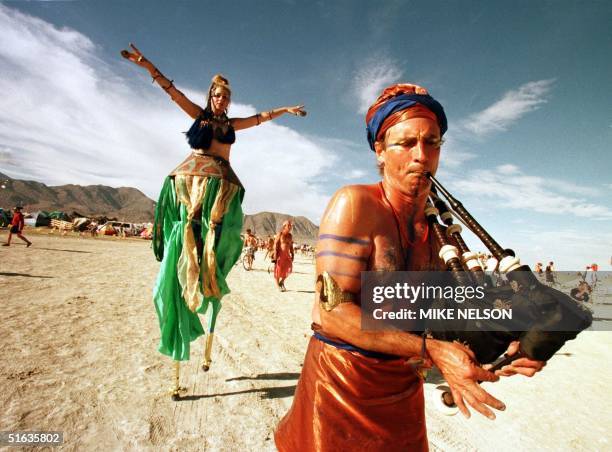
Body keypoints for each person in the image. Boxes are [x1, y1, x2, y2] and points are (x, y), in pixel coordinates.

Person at [275, 83, 545, 451]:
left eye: (432, 143)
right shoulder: (355, 205)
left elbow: (444, 319)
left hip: (403, 388)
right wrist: (433, 351)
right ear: (380, 150)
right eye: (407, 143)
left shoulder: (439, 233)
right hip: (340, 387)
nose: (422, 155)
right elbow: (332, 312)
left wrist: (506, 347)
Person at [120, 44, 306, 393]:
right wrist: (147, 65)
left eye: (226, 97)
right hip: (194, 180)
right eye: (218, 95)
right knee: (189, 234)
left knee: (224, 235)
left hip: (223, 184)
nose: (221, 100)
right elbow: (171, 92)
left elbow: (261, 118)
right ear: (211, 96)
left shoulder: (232, 123)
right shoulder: (199, 116)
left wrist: (286, 109)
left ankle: (211, 274)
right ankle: (186, 268)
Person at [273, 220, 294, 291]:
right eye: (288, 225)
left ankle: (281, 282)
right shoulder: (280, 234)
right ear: (284, 226)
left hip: (287, 255)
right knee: (278, 270)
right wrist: (275, 255)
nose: (290, 227)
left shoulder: (290, 236)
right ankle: (278, 285)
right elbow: (275, 244)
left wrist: (292, 253)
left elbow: (291, 245)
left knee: (289, 269)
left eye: (290, 225)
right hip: (280, 255)